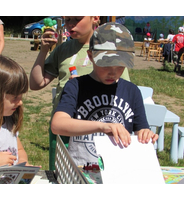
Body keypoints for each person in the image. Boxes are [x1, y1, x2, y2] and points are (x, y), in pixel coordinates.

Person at [51, 22, 158, 167]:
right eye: (106, 64)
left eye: (120, 65)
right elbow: (57, 125)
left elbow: (141, 130)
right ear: (90, 56)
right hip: (81, 169)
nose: (113, 72)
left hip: (118, 169)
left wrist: (145, 134)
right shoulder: (76, 86)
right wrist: (102, 127)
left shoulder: (132, 92)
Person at [30, 17, 130, 170]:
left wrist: (82, 85)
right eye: (68, 19)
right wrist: (43, 50)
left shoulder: (109, 48)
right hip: (64, 127)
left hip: (96, 132)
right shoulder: (63, 49)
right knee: (61, 175)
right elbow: (36, 84)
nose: (71, 24)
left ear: (95, 18)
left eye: (77, 19)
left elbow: (123, 91)